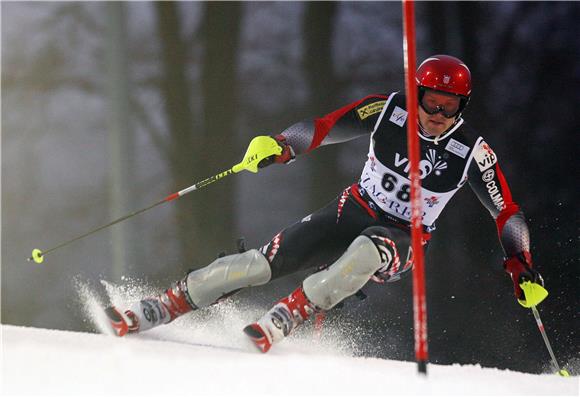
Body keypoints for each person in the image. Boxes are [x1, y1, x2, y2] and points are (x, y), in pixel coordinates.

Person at [105, 55, 544, 353]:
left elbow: (506, 211)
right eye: (431, 102)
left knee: (369, 251)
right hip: (351, 208)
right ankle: (166, 303)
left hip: (404, 236)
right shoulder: (385, 110)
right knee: (260, 264)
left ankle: (290, 312)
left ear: (461, 108)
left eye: (449, 108)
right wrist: (280, 146)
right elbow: (322, 128)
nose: (437, 115)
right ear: (417, 95)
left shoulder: (472, 153)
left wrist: (519, 261)